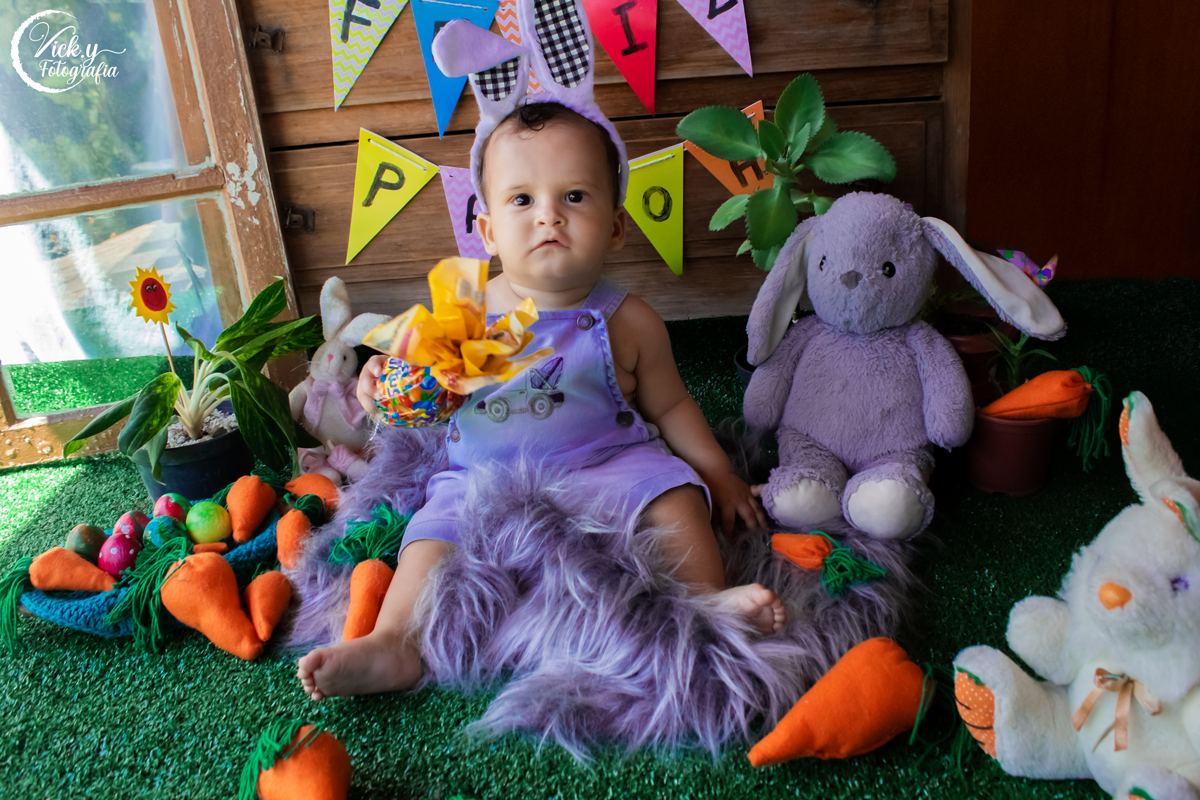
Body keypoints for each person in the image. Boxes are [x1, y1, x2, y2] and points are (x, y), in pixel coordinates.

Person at [298, 102, 783, 702]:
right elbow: (411, 386)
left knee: (676, 497)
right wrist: (378, 381)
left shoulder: (629, 320)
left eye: (574, 196)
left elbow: (673, 407)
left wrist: (718, 474)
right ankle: (395, 641)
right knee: (430, 534)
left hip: (605, 463)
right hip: (482, 476)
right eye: (522, 199)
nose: (549, 215)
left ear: (615, 226)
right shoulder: (463, 311)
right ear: (488, 231)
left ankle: (703, 604)